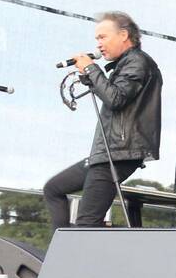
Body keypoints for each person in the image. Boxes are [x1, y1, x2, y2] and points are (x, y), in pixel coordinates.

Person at [44, 12, 162, 230]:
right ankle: (62, 251)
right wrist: (92, 76)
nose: (98, 44)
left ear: (124, 35)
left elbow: (116, 98)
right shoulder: (124, 65)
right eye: (97, 39)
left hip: (119, 153)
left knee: (87, 223)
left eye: (102, 37)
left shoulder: (137, 62)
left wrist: (90, 68)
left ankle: (77, 256)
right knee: (53, 189)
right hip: (106, 153)